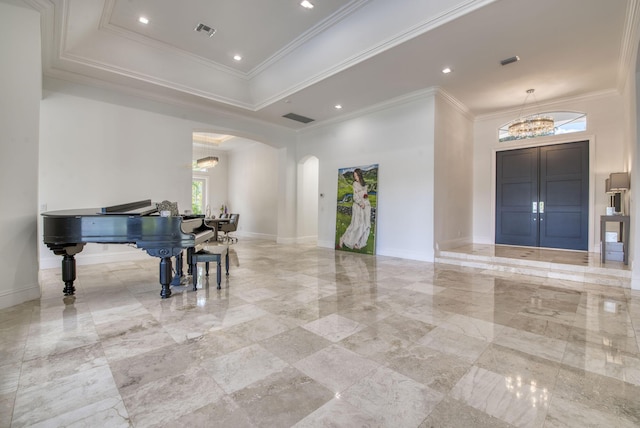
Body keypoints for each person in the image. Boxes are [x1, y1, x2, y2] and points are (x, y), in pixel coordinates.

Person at [339, 168, 371, 250]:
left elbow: (365, 195)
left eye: (356, 175)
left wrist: (365, 201)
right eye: (354, 176)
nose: (355, 177)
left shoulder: (364, 184)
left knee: (364, 225)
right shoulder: (355, 184)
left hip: (365, 206)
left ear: (360, 175)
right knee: (355, 225)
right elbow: (355, 196)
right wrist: (361, 203)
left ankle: (357, 243)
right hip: (358, 207)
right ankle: (343, 239)